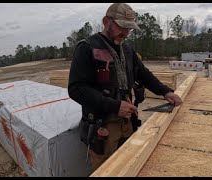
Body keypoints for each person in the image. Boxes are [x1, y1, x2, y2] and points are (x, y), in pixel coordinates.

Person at [68, 3, 182, 175]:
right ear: (107, 21)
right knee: (106, 171)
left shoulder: (127, 50)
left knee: (129, 166)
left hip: (127, 123)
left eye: (130, 29)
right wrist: (114, 106)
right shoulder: (87, 48)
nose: (126, 33)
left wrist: (165, 91)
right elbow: (76, 89)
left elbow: (143, 74)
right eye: (122, 27)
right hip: (103, 127)